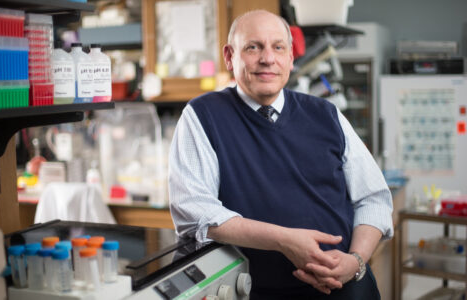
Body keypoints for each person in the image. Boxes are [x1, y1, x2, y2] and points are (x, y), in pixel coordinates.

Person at [168, 9, 393, 299]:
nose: (267, 59)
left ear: (290, 57)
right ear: (229, 56)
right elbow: (194, 209)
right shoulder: (202, 115)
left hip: (345, 286)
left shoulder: (326, 114)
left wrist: (356, 261)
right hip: (254, 291)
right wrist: (283, 240)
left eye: (278, 47)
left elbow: (373, 198)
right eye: (253, 47)